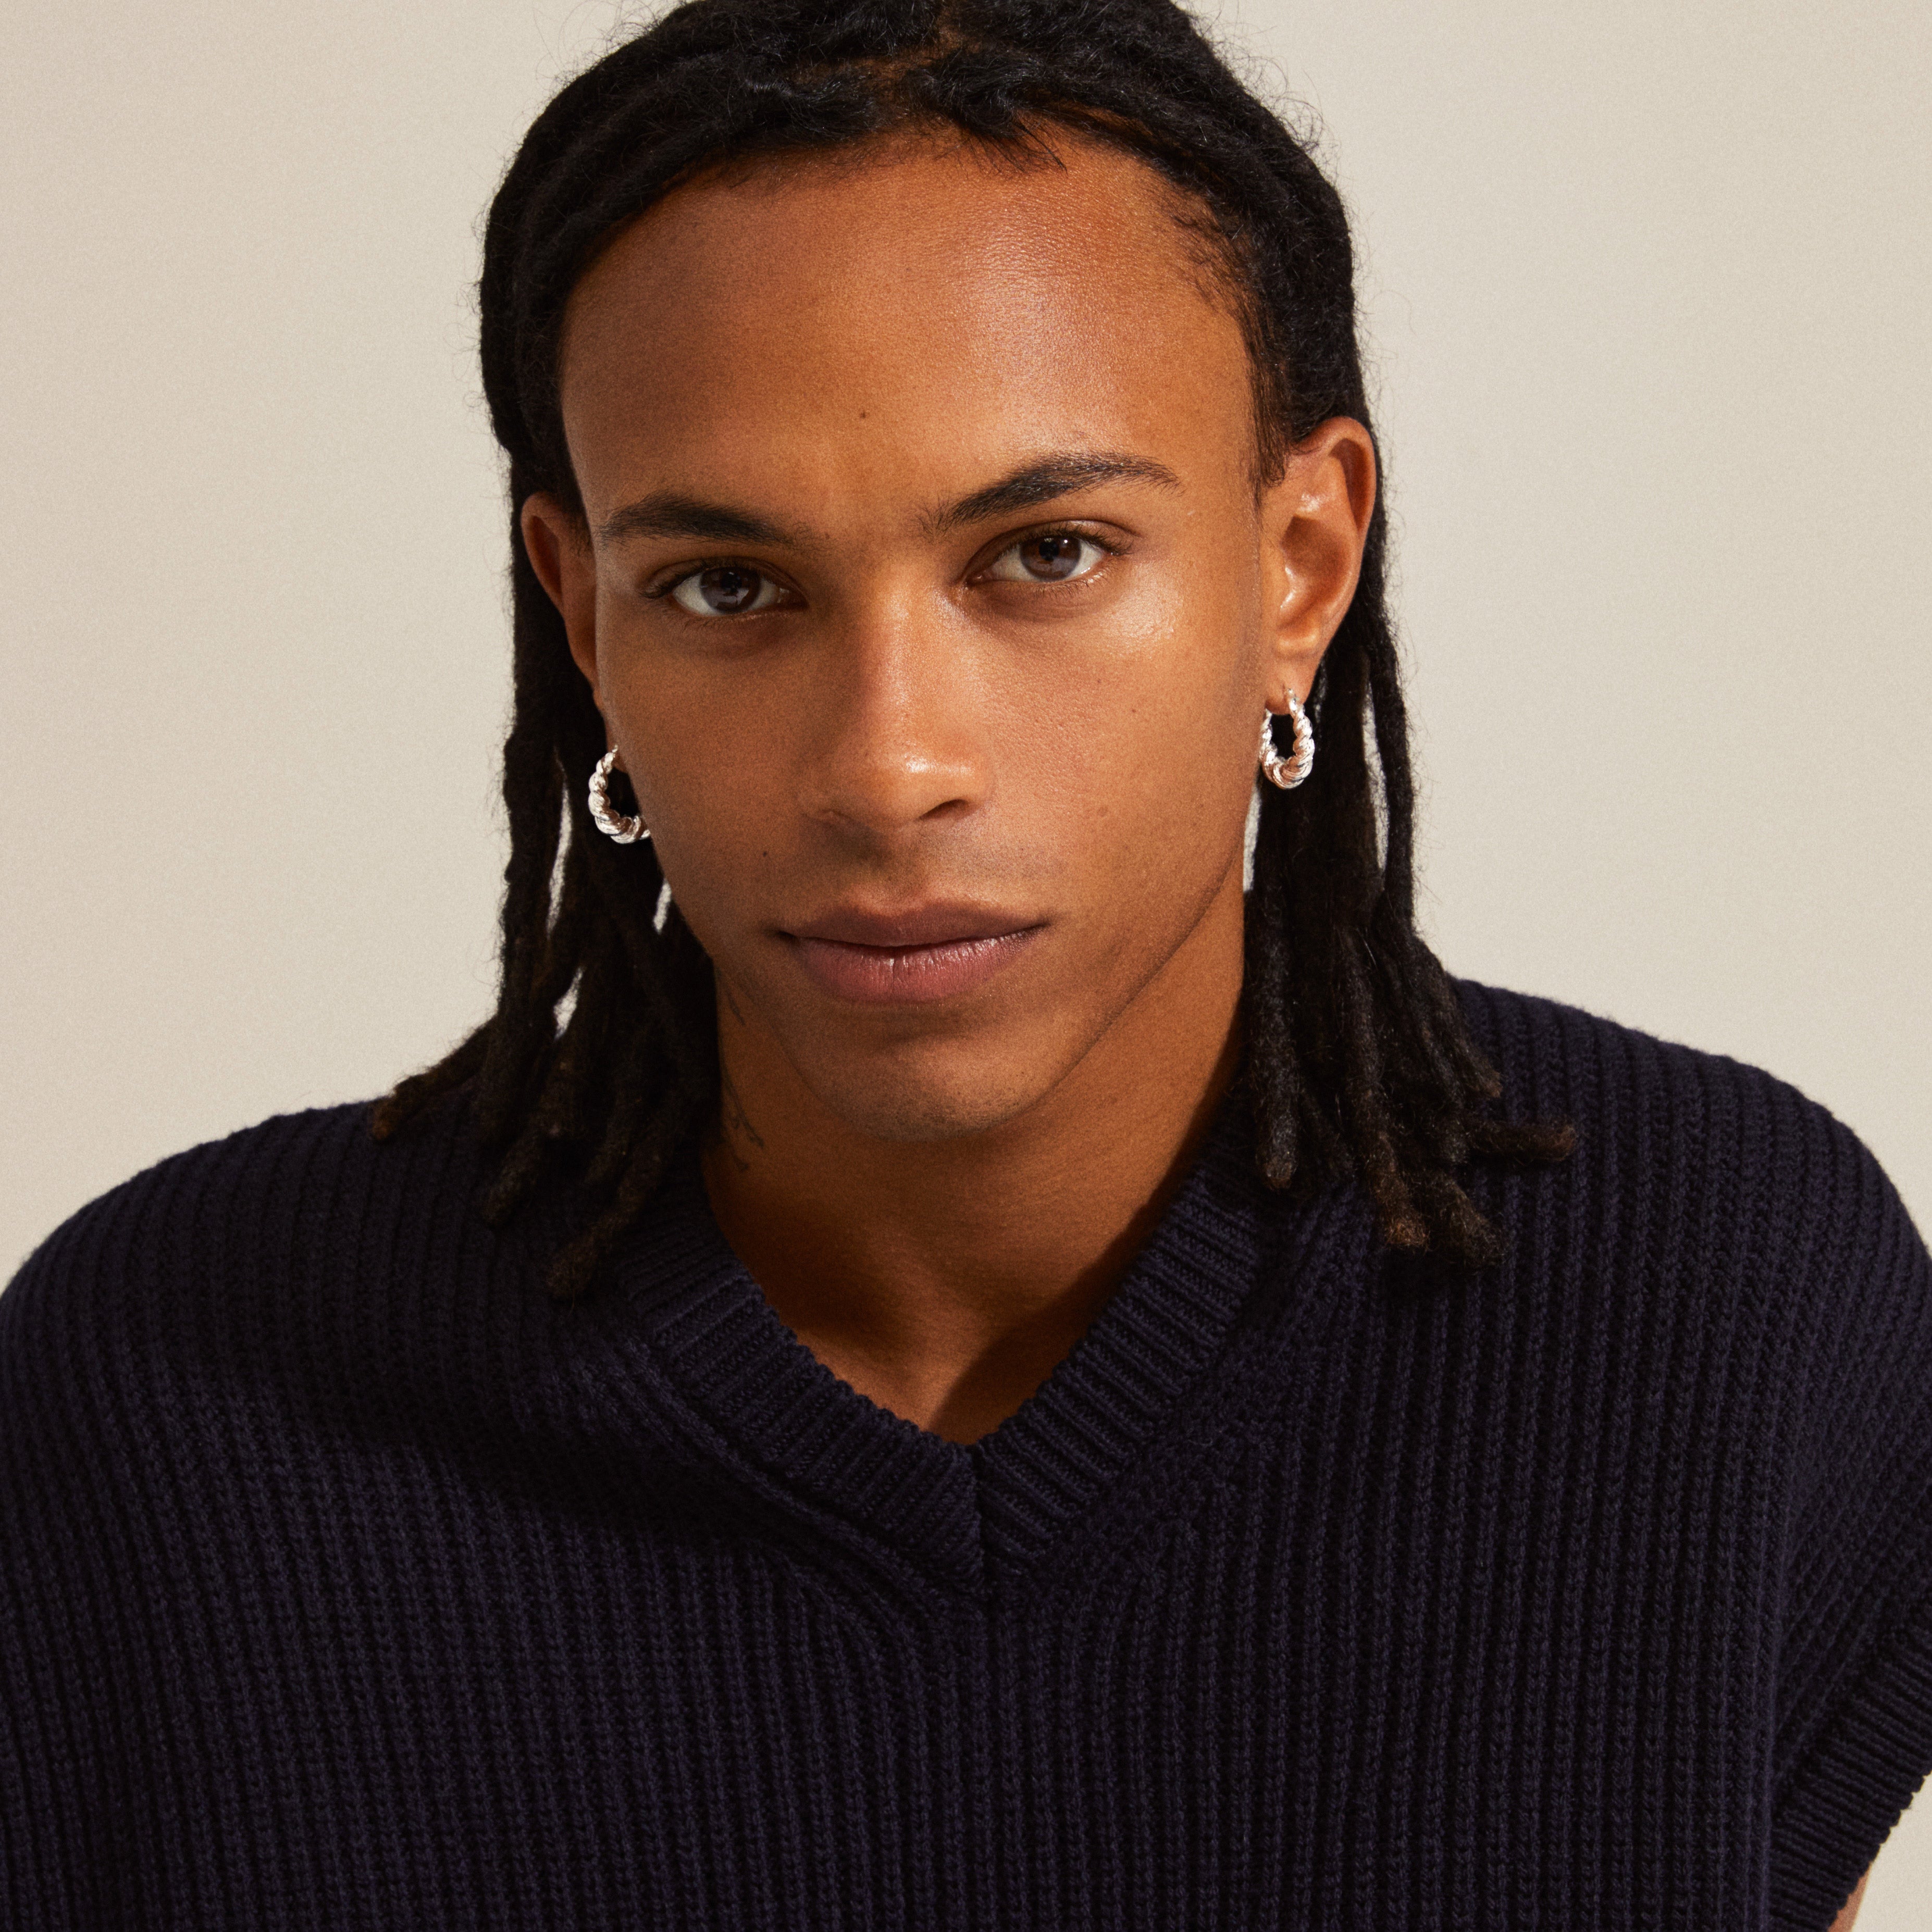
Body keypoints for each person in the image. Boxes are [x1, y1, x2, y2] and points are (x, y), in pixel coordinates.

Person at [2, 1, 1925, 1925]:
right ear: (581, 615)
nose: (886, 765)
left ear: (1299, 564)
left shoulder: (1719, 1312)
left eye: (1046, 554)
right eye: (727, 587)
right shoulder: (156, 1400)